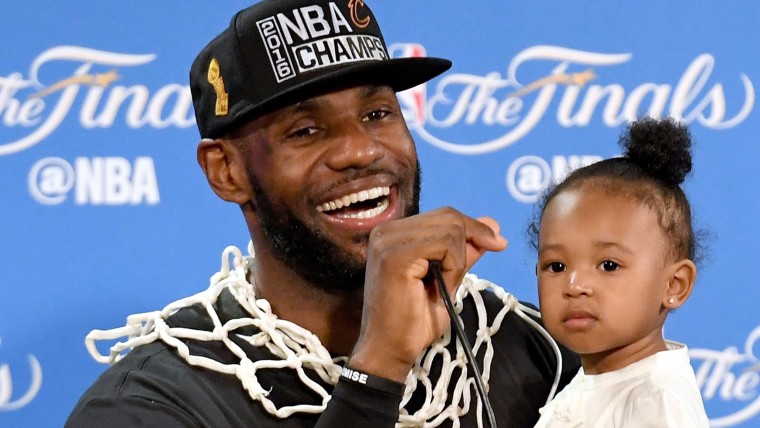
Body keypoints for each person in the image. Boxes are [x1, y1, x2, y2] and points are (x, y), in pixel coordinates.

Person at [66, 0, 579, 426]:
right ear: (227, 171)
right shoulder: (150, 405)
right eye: (304, 131)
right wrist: (378, 367)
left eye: (377, 114)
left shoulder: (535, 350)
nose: (360, 150)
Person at [529, 117, 709, 427]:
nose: (574, 285)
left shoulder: (657, 401)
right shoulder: (588, 384)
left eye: (608, 265)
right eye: (556, 266)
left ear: (674, 285)